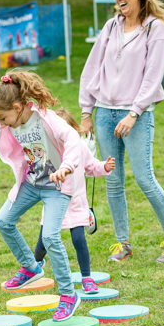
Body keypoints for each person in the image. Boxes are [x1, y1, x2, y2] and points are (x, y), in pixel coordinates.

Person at [79, 0, 164, 263]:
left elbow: (153, 78)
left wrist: (134, 113)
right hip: (104, 112)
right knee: (112, 180)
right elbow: (92, 68)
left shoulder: (156, 29)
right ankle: (122, 244)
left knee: (144, 178)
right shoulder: (111, 26)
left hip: (136, 115)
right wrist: (86, 110)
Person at [0, 70, 83, 322]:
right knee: (2, 221)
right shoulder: (10, 122)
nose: (2, 124)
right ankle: (31, 267)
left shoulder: (45, 118)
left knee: (49, 236)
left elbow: (72, 139)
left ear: (17, 107)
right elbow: (14, 142)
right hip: (31, 182)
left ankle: (69, 295)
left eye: (3, 118)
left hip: (56, 185)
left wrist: (66, 167)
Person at [34, 108, 115, 294]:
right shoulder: (47, 151)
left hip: (76, 204)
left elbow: (91, 166)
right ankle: (35, 265)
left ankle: (86, 278)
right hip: (53, 204)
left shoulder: (79, 147)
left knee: (79, 240)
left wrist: (104, 166)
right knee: (42, 243)